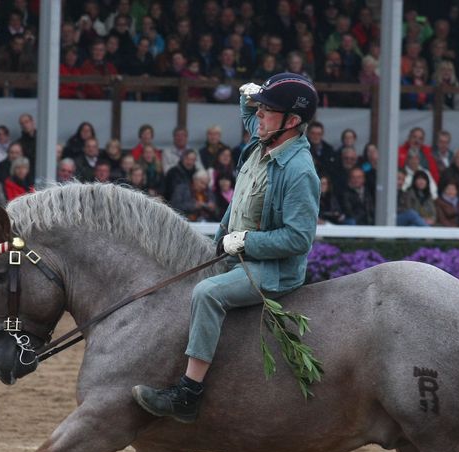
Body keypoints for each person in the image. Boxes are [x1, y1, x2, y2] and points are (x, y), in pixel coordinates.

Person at [132, 73, 319, 423]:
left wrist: (246, 242)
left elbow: (298, 239)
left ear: (292, 122)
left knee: (207, 293)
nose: (259, 116)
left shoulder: (299, 171)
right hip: (234, 251)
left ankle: (188, 394)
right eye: (260, 109)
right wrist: (246, 96)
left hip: (272, 269)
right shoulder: (265, 139)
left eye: (268, 110)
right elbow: (250, 115)